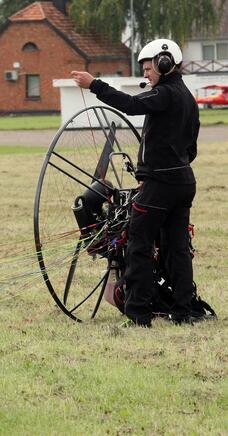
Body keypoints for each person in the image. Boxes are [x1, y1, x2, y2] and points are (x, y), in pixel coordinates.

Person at [71, 38, 204, 327]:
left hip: (162, 185)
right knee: (177, 247)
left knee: (138, 245)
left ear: (165, 63)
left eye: (148, 68)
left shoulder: (165, 94)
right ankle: (183, 311)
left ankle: (138, 314)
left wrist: (95, 85)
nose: (145, 74)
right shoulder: (187, 99)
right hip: (182, 182)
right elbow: (191, 149)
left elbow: (130, 105)